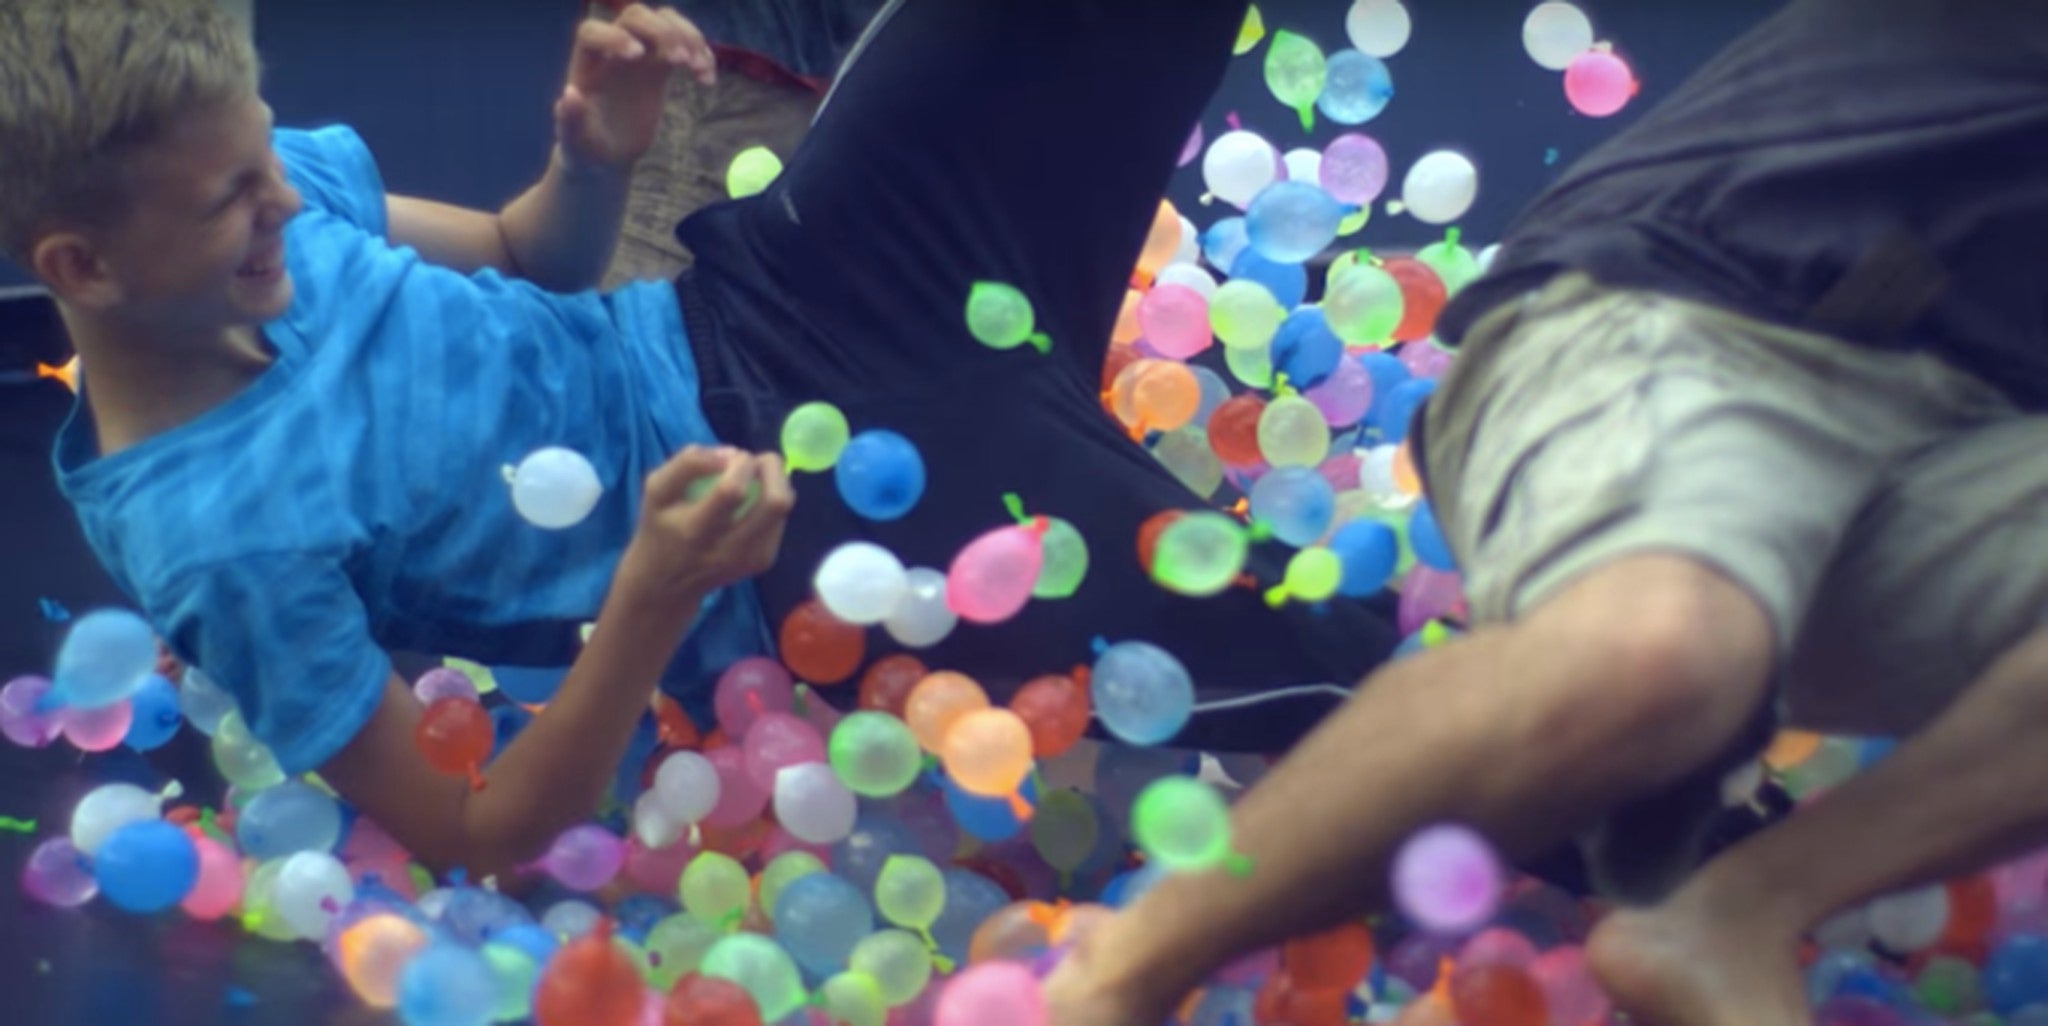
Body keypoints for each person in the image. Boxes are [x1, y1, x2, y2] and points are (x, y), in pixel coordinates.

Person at [2, 0, 1394, 882]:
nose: (286, 201)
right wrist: (652, 600)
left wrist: (589, 157)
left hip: (785, 283)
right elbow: (472, 832)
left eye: (266, 157)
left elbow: (518, 257)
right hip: (814, 522)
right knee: (1334, 656)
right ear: (86, 262)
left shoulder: (281, 187)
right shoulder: (217, 536)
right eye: (233, 201)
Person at [1044, 1, 2048, 1025]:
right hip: (1711, 303)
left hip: (1978, 441)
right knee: (1655, 658)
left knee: (1669, 665)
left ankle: (1734, 911)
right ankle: (1108, 979)